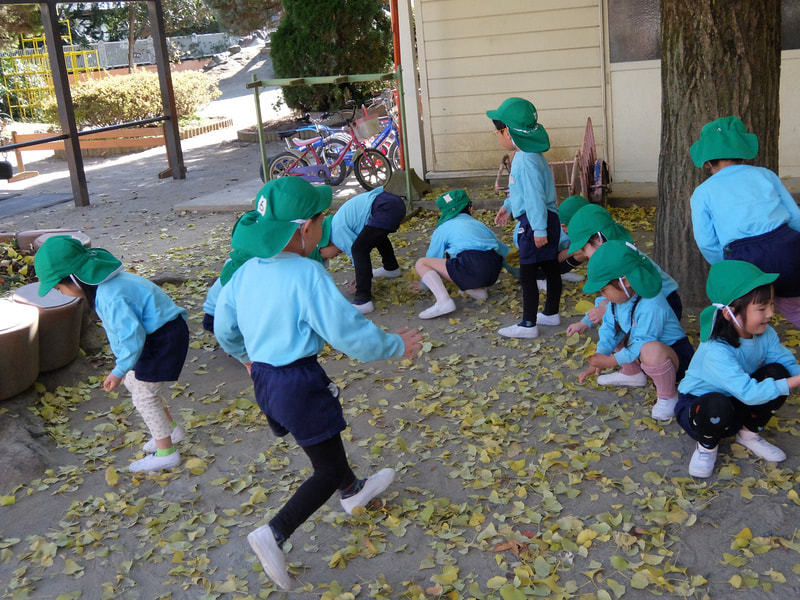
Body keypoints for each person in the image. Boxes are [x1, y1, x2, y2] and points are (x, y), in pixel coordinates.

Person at [213, 177, 422, 591]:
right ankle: (274, 533)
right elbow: (347, 332)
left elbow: (224, 327)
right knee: (324, 466)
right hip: (298, 381)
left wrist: (246, 360)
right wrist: (394, 346)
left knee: (323, 442)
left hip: (266, 383)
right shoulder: (308, 273)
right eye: (322, 221)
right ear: (304, 227)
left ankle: (354, 491)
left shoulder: (245, 272)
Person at [34, 236, 189, 472]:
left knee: (144, 395)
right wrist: (125, 369)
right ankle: (171, 430)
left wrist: (118, 370)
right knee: (137, 385)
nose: (62, 293)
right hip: (159, 334)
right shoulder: (109, 286)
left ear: (75, 279)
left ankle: (166, 452)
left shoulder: (110, 297)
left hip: (161, 339)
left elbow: (131, 338)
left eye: (59, 287)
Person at [675, 260, 800, 478]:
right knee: (716, 405)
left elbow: (787, 364)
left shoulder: (766, 333)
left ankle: (748, 433)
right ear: (729, 313)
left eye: (771, 304)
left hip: (738, 398)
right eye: (761, 308)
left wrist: (795, 375)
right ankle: (707, 445)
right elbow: (750, 393)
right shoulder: (716, 350)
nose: (771, 313)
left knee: (779, 373)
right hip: (700, 406)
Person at [689, 115, 800, 327]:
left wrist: (724, 265)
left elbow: (705, 240)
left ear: (706, 162)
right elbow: (795, 216)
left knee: (745, 319)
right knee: (795, 308)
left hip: (746, 260)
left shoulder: (702, 193)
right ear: (743, 152)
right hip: (789, 247)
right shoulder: (765, 175)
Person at [565, 204, 682, 387]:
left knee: (634, 332)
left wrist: (609, 360)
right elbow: (606, 302)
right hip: (641, 303)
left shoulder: (623, 260)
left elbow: (608, 304)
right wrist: (586, 322)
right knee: (612, 314)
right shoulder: (616, 263)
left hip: (663, 302)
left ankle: (649, 371)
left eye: (585, 251)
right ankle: (632, 371)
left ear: (598, 238)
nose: (587, 258)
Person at [578, 240, 694, 421]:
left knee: (649, 349)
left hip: (675, 358)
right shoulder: (619, 300)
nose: (602, 296)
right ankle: (632, 373)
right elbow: (609, 328)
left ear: (625, 282)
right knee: (618, 331)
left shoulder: (652, 304)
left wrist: (610, 361)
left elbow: (642, 342)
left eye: (604, 290)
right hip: (643, 355)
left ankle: (668, 396)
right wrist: (600, 356)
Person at [487, 97, 562, 338]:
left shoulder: (526, 160)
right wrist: (508, 206)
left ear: (508, 132)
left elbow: (534, 198)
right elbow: (521, 191)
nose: (497, 136)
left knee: (528, 274)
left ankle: (528, 324)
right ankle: (551, 313)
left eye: (498, 131)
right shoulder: (530, 154)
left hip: (535, 221)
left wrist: (538, 230)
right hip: (544, 218)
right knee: (550, 266)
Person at [413, 189, 509, 318]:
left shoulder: (443, 228)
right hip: (493, 269)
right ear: (470, 208)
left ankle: (443, 301)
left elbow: (433, 257)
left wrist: (425, 284)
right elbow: (504, 251)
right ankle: (478, 291)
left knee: (422, 263)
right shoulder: (480, 225)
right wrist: (521, 273)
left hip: (470, 266)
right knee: (460, 261)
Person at [318, 186, 406, 315]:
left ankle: (363, 300)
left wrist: (360, 282)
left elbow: (356, 253)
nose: (331, 258)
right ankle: (391, 268)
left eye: (325, 257)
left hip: (384, 207)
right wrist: (360, 277)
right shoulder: (337, 223)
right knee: (376, 235)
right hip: (391, 203)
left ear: (322, 246)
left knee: (359, 250)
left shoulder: (336, 234)